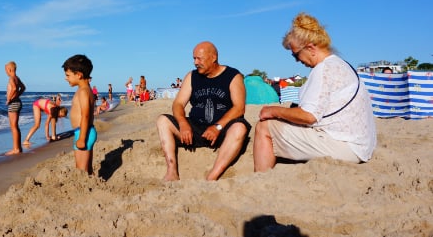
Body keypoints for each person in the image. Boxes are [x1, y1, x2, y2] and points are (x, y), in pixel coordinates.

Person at [253, 13, 377, 173]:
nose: (297, 60)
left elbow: (309, 116)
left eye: (295, 54)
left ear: (311, 48)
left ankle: (261, 179)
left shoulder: (323, 69)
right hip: (361, 145)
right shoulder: (341, 64)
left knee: (264, 128)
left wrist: (273, 110)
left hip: (346, 146)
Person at [156, 41, 251, 181]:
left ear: (213, 57)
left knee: (240, 128)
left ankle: (212, 176)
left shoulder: (233, 76)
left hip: (222, 131)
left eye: (199, 58)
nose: (195, 62)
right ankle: (171, 171)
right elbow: (178, 103)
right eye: (194, 58)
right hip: (195, 128)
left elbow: (239, 107)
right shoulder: (192, 76)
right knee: (162, 120)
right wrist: (183, 123)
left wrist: (218, 127)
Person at [63, 54, 96, 174]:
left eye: (68, 75)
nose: (66, 78)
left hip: (84, 133)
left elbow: (86, 115)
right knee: (86, 169)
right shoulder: (85, 89)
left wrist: (82, 138)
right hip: (84, 131)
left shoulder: (83, 92)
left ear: (79, 75)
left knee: (81, 170)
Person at [5, 61, 26, 155]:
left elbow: (13, 88)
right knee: (15, 126)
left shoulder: (11, 78)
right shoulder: (17, 78)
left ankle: (16, 149)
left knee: (13, 127)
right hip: (17, 102)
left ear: (9, 69)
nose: (5, 72)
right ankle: (19, 147)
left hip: (13, 103)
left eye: (5, 70)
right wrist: (17, 95)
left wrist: (9, 99)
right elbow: (23, 88)